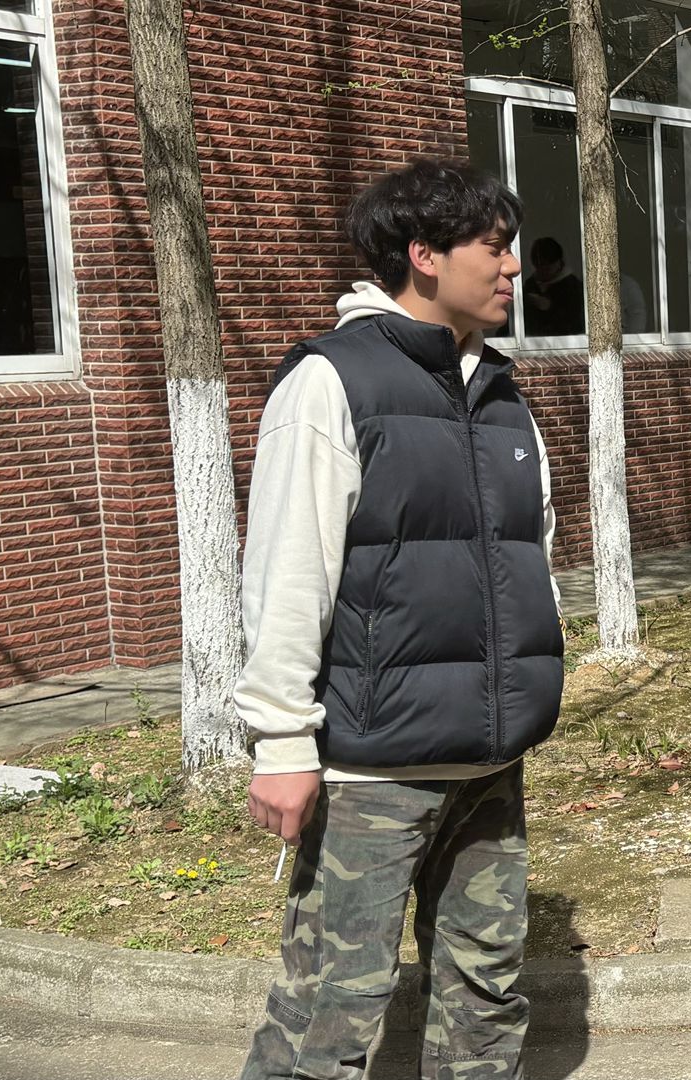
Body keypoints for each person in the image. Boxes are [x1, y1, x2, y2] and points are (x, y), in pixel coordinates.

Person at [233, 158, 565, 1079]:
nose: (513, 266)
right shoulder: (330, 383)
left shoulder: (501, 393)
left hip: (488, 765)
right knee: (329, 1012)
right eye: (493, 248)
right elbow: (287, 571)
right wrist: (281, 743)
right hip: (370, 773)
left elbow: (527, 552)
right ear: (424, 254)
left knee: (486, 998)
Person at [523, 235, 585, 336]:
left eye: (548, 267)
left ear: (559, 262)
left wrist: (549, 307)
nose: (543, 271)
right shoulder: (530, 284)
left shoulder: (572, 285)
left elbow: (576, 323)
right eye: (539, 267)